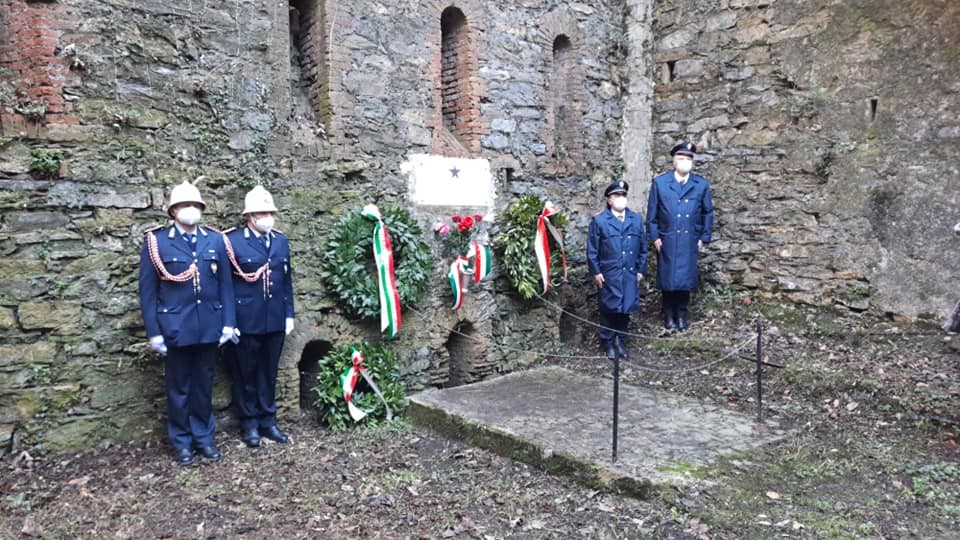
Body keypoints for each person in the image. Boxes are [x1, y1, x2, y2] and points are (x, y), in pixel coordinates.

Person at [139, 180, 236, 466]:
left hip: (209, 326)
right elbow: (148, 292)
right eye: (184, 205)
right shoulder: (157, 242)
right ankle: (182, 442)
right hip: (175, 329)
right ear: (173, 211)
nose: (190, 210)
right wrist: (154, 332)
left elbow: (226, 286)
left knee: (203, 387)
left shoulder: (215, 240)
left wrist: (228, 323)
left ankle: (204, 439)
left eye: (195, 205)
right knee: (179, 389)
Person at [222, 185, 295, 448]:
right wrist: (229, 321)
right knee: (245, 374)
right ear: (249, 217)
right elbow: (225, 285)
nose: (268, 217)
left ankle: (268, 420)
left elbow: (286, 280)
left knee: (268, 372)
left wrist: (289, 314)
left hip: (274, 319)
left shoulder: (280, 240)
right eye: (262, 213)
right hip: (246, 321)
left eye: (270, 212)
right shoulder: (232, 241)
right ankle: (249, 423)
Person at [646, 141, 714, 331]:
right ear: (674, 161)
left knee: (685, 279)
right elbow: (652, 213)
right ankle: (668, 315)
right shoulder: (660, 183)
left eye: (688, 159)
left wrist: (703, 237)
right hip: (667, 238)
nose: (685, 162)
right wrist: (655, 237)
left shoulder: (700, 184)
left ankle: (682, 315)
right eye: (681, 158)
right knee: (668, 279)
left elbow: (707, 212)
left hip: (689, 239)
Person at [587, 180, 648, 359]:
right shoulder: (599, 221)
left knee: (625, 308)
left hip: (629, 272)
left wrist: (640, 270)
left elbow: (643, 249)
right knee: (609, 308)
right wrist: (596, 272)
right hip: (609, 273)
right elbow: (592, 250)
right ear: (609, 200)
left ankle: (621, 341)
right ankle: (608, 342)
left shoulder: (635, 220)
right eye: (616, 195)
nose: (620, 198)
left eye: (623, 195)